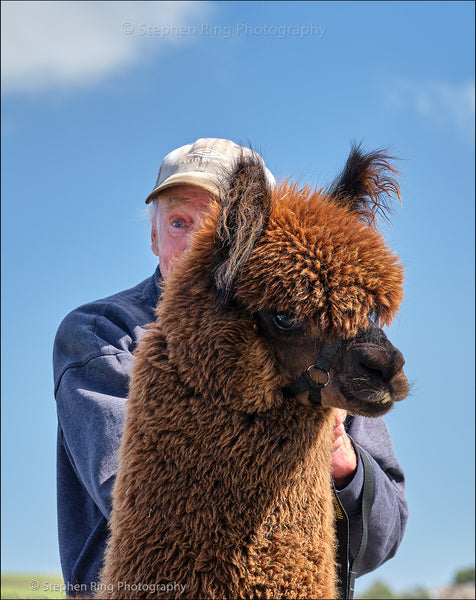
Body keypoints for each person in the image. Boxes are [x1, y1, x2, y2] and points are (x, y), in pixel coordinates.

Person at [53, 138, 407, 596]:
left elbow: (384, 535)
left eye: (223, 224)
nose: (200, 238)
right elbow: (130, 491)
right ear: (154, 234)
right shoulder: (105, 333)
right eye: (180, 221)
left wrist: (341, 458)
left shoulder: (317, 346)